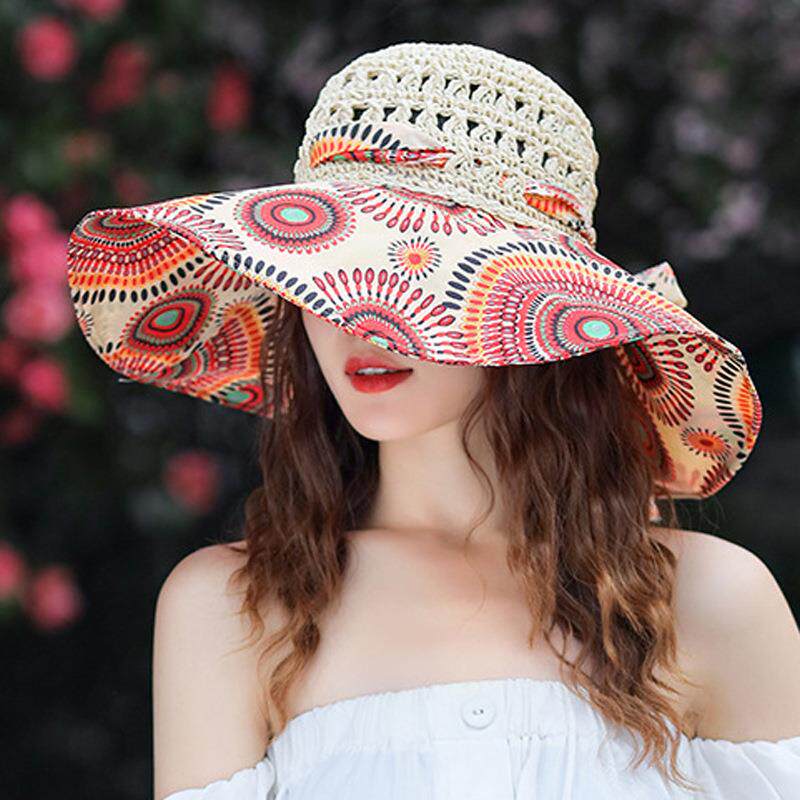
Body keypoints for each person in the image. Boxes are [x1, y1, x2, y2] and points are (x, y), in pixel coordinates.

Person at [64, 42, 800, 799]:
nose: (362, 318)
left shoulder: (707, 599)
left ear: (530, 311)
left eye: (415, 270)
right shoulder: (235, 608)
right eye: (328, 274)